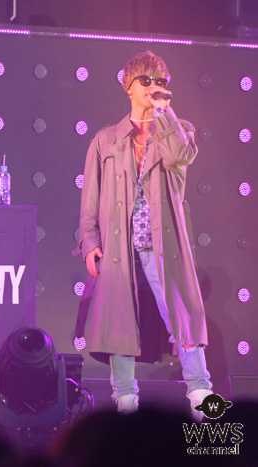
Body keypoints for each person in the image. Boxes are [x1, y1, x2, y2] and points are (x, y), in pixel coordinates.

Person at [77, 51, 212, 421]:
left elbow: (180, 156)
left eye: (161, 81)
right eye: (147, 81)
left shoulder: (177, 129)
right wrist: (89, 241)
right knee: (119, 321)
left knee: (182, 314)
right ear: (129, 86)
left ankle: (200, 392)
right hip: (118, 246)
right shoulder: (106, 140)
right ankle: (125, 399)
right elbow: (90, 198)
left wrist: (164, 113)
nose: (155, 87)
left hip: (162, 245)